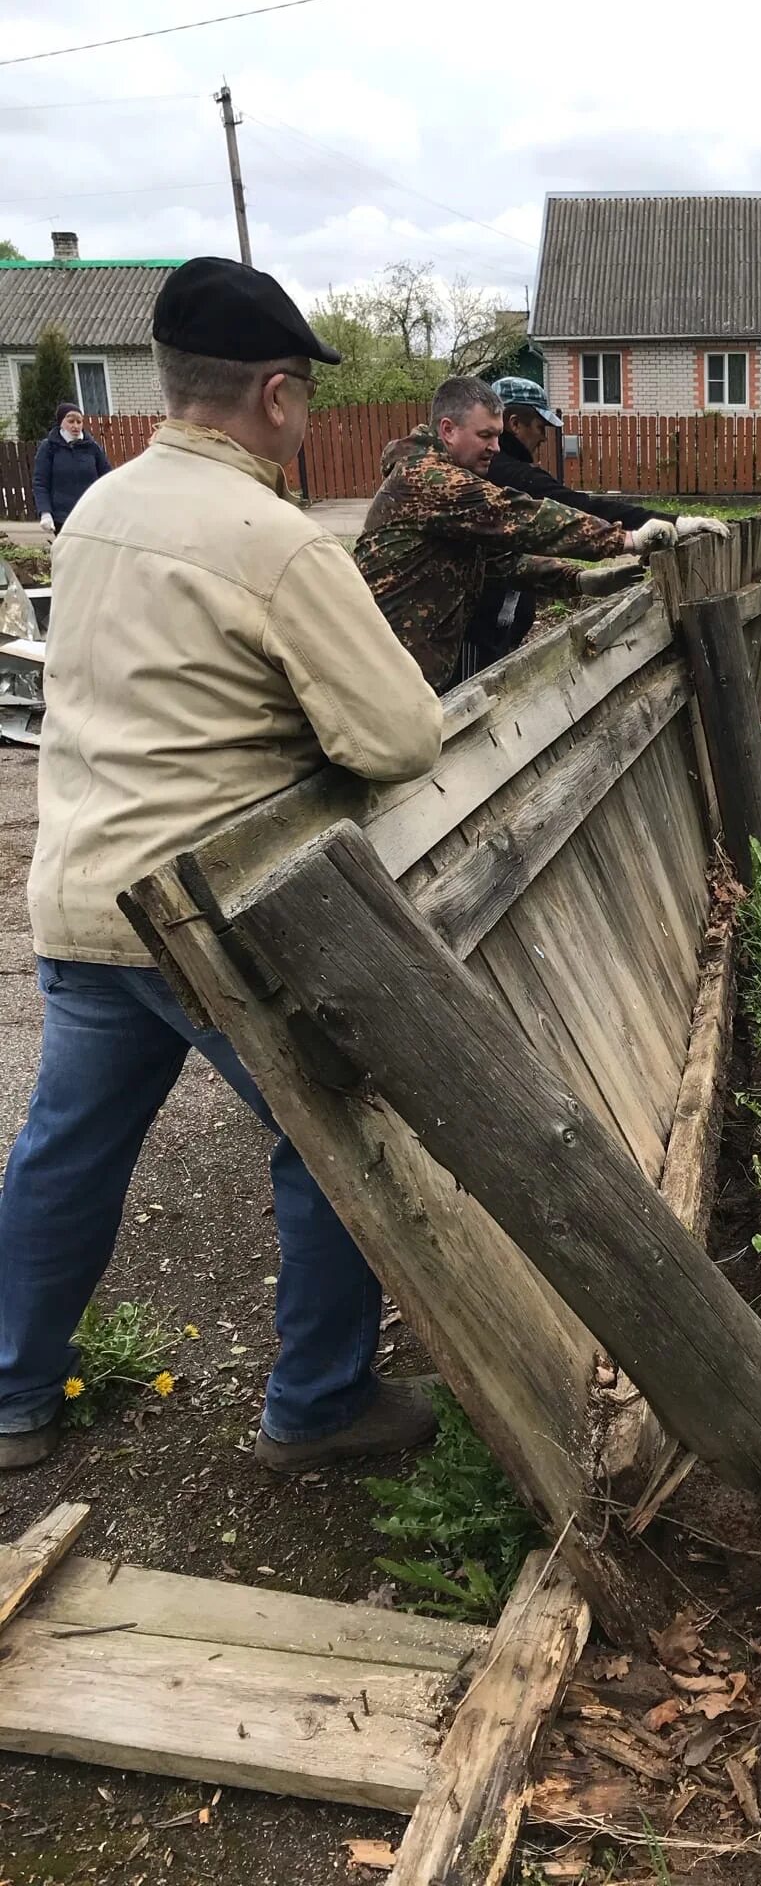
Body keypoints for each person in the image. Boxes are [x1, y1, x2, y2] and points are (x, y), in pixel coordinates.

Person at [0, 255, 445, 1475]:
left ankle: (12, 1397)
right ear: (280, 395)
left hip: (85, 900)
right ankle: (317, 1405)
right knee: (335, 1136)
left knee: (69, 1150)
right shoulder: (275, 540)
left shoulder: (97, 509)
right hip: (209, 917)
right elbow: (400, 737)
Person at [357, 377, 667, 689]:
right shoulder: (431, 479)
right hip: (388, 679)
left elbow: (500, 563)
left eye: (498, 435)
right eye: (486, 435)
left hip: (411, 671)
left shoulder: (439, 481)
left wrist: (576, 580)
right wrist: (628, 539)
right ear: (448, 430)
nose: (496, 447)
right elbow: (520, 516)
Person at [489, 378, 729, 541]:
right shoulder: (512, 475)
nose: (543, 438)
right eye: (541, 427)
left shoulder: (492, 467)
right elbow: (583, 509)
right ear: (515, 424)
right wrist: (677, 523)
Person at [32, 401, 111, 536]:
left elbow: (107, 478)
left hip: (90, 514)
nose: (75, 426)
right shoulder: (49, 447)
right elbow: (40, 483)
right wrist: (45, 513)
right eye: (71, 421)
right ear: (61, 422)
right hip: (62, 517)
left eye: (79, 422)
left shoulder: (92, 447)